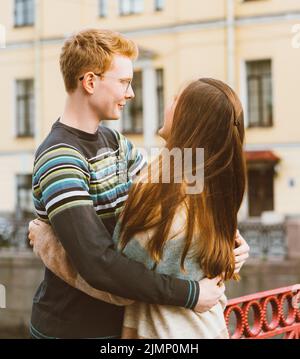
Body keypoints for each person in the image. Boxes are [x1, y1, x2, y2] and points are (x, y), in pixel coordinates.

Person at [28, 28, 249, 339]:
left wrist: (232, 243)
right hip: (73, 326)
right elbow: (97, 263)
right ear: (90, 82)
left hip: (119, 323)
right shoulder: (60, 158)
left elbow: (184, 200)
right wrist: (190, 293)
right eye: (124, 82)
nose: (131, 94)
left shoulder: (116, 142)